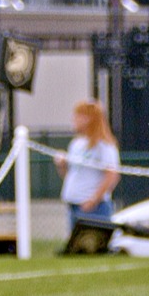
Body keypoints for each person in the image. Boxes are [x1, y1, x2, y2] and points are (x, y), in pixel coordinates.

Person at [54, 99, 121, 231]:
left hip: (94, 208)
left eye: (77, 116)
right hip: (73, 204)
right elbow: (71, 175)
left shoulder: (104, 146)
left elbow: (112, 176)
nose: (73, 119)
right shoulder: (76, 144)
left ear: (88, 119)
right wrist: (62, 166)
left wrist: (93, 200)